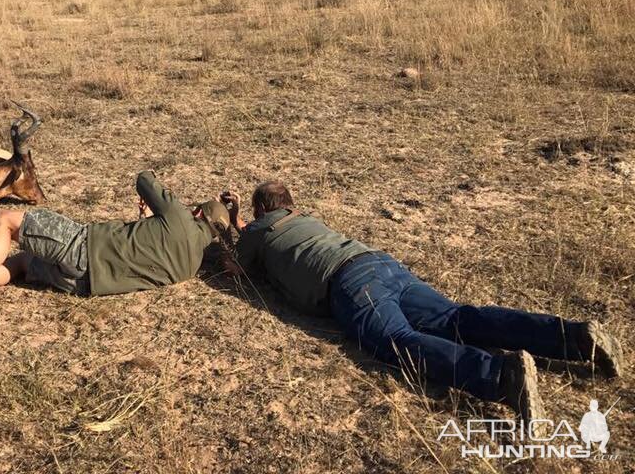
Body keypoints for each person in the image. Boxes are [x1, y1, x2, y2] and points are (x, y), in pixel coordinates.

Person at [217, 181, 623, 425]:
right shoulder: (306, 220)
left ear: (258, 211)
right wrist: (243, 221)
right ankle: (574, 337)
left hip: (349, 284)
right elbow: (265, 229)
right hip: (380, 262)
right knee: (457, 317)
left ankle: (502, 377)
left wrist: (226, 231)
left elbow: (239, 268)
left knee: (396, 340)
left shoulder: (258, 232)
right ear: (292, 204)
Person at [0, 170, 231, 322]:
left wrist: (161, 192)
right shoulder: (192, 264)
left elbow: (144, 179)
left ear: (198, 213)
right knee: (21, 263)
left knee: (6, 221)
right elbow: (146, 252)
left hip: (83, 247)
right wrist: (146, 221)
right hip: (83, 284)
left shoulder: (180, 217)